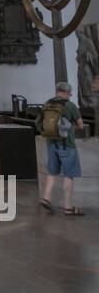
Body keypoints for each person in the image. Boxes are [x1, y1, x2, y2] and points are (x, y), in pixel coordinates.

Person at [39, 81, 85, 215]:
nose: (70, 95)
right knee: (69, 175)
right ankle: (68, 207)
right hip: (67, 145)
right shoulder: (70, 105)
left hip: (50, 143)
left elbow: (41, 123)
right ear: (65, 92)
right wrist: (70, 126)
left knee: (52, 172)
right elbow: (81, 126)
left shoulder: (47, 104)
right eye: (70, 93)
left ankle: (46, 198)